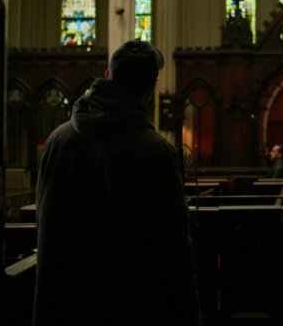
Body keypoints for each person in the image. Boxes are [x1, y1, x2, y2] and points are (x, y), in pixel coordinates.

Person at [33, 40, 200, 325]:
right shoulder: (156, 151)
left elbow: (46, 225)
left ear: (107, 76)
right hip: (132, 306)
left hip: (67, 303)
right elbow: (173, 248)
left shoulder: (58, 140)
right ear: (151, 89)